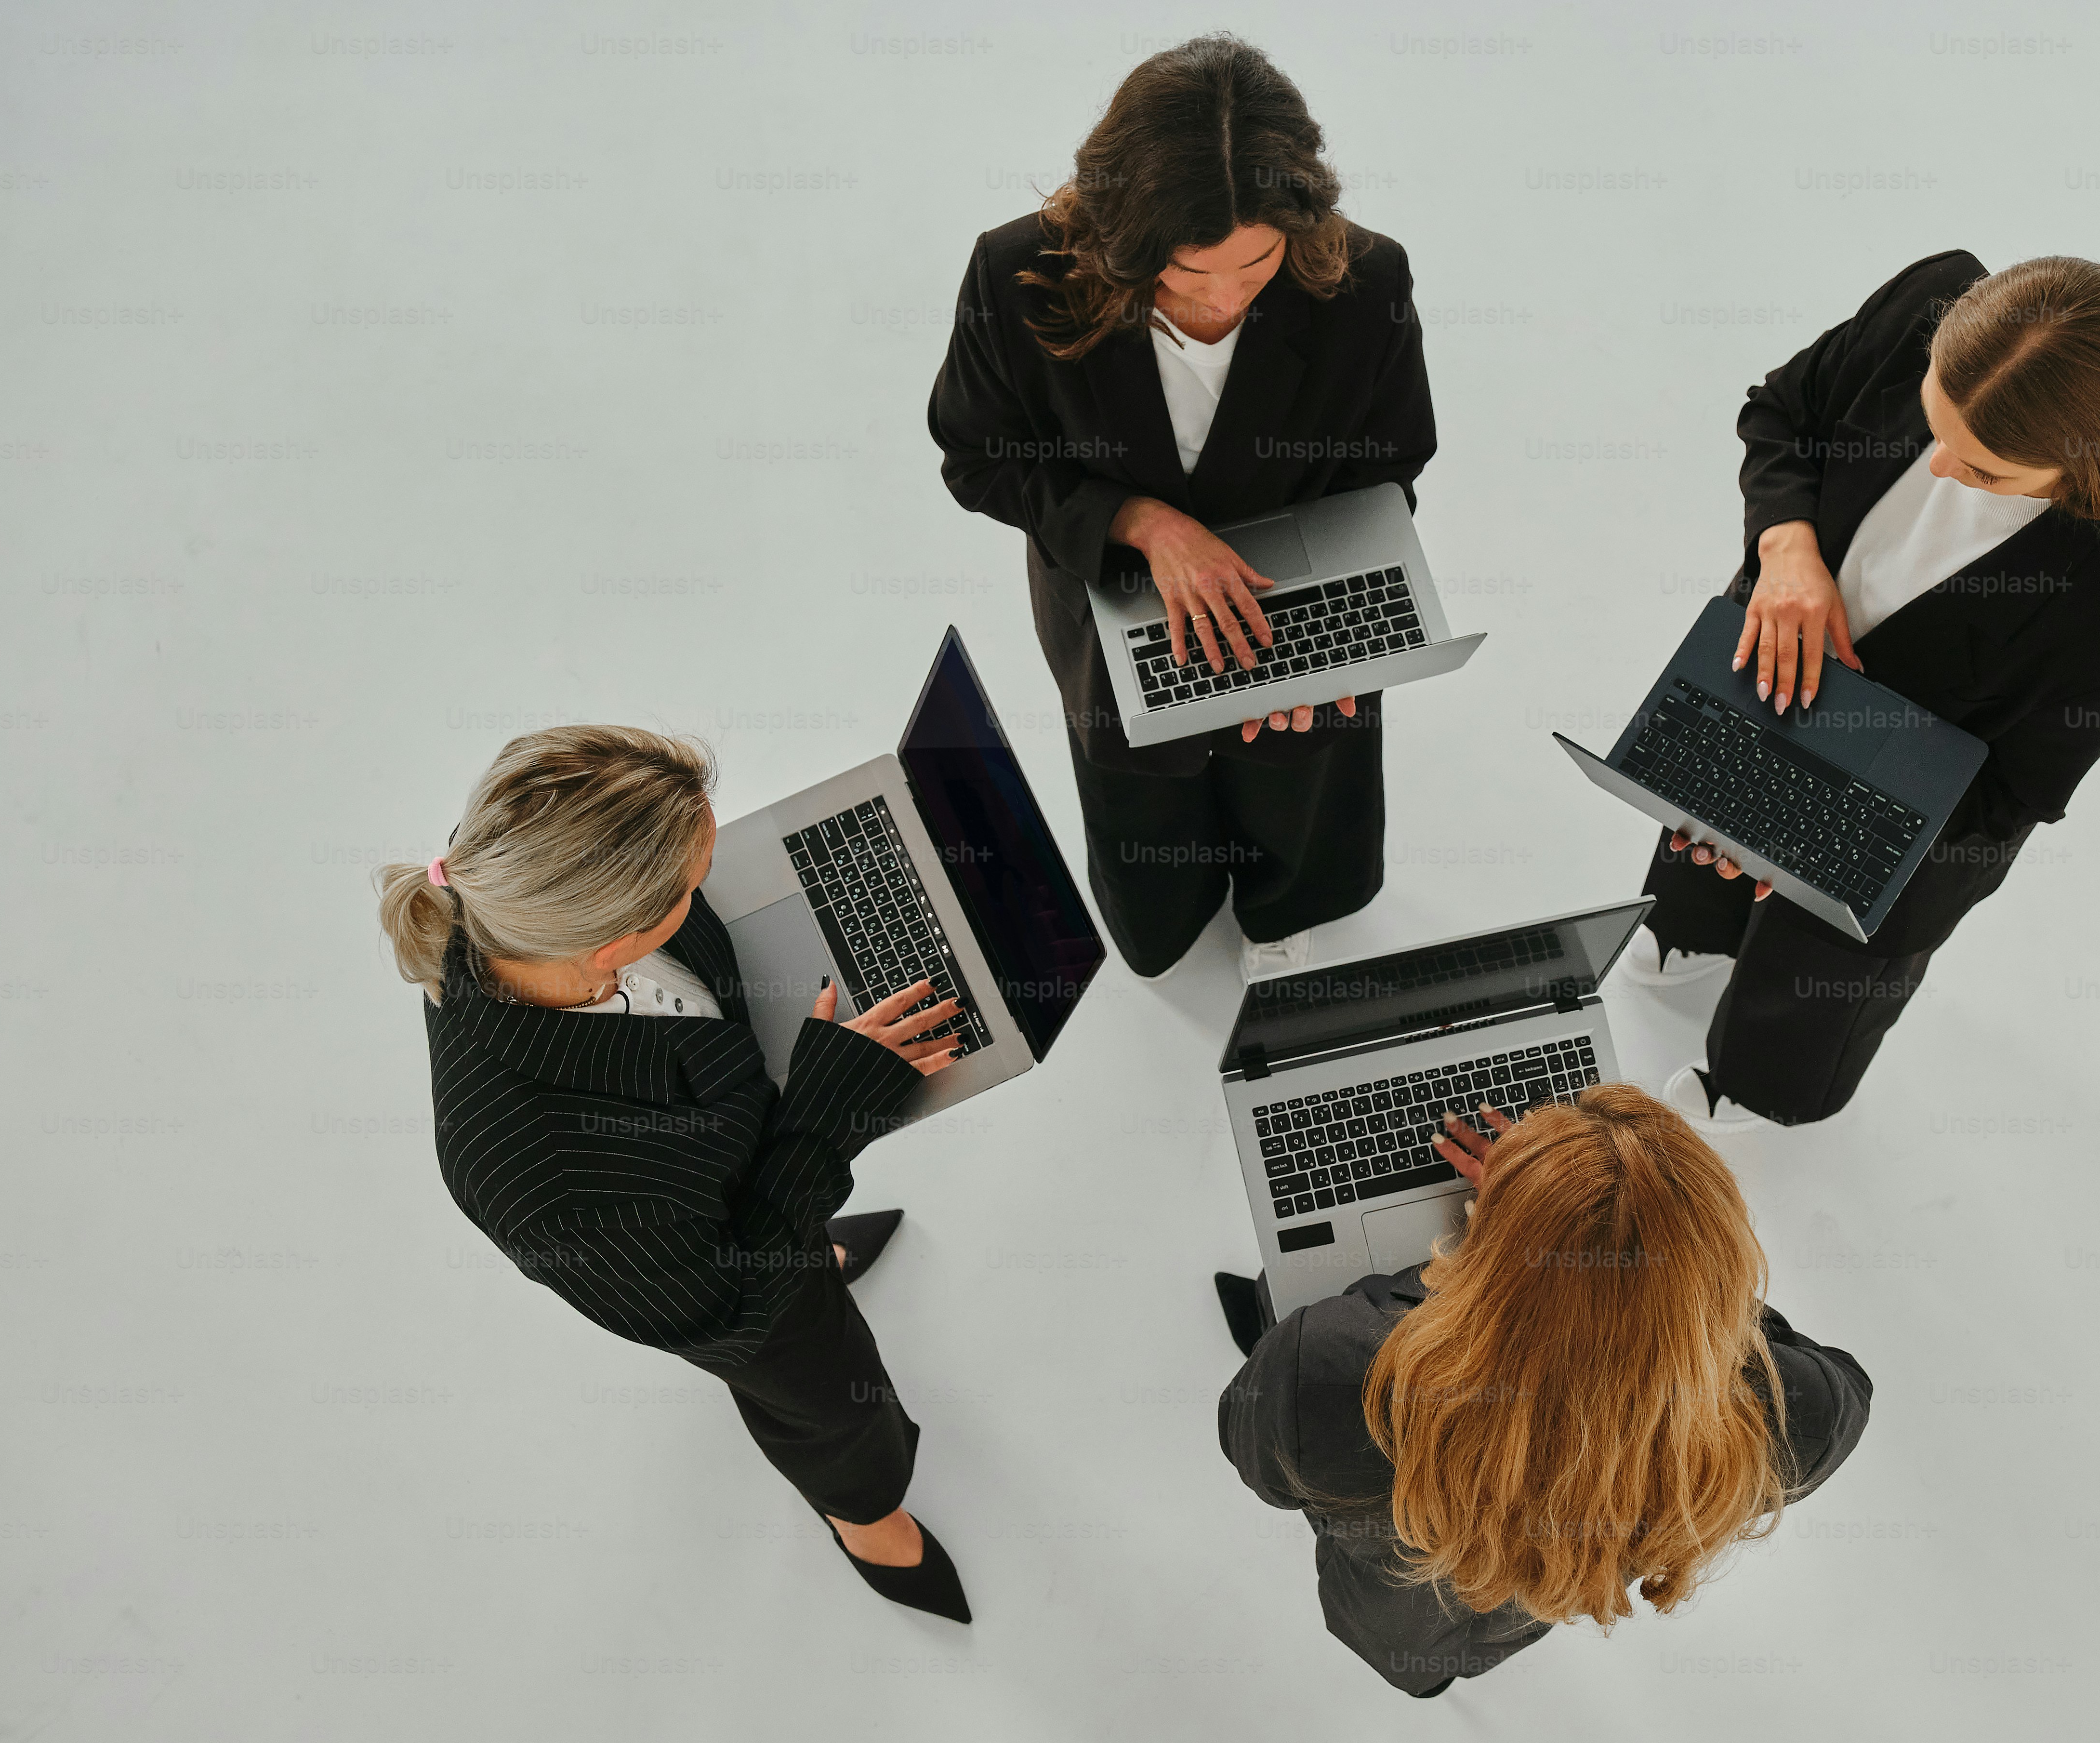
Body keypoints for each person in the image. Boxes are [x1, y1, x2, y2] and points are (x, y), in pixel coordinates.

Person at [376, 727, 974, 1621]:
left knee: (797, 1255)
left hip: (721, 1177)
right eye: (693, 879)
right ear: (612, 934)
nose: (715, 875)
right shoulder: (545, 1188)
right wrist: (826, 1112)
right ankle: (864, 1513)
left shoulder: (520, 913)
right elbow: (735, 1318)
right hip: (736, 1288)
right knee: (833, 1402)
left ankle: (811, 1245)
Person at [1633, 251, 2100, 1130]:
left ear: (2082, 463)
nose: (1938, 470)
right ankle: (1691, 931)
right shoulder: (1923, 304)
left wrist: (1808, 831)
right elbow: (1782, 411)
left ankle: (1765, 1090)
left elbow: (2004, 803)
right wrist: (1785, 550)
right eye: (1934, 426)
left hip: (1894, 827)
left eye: (1985, 473)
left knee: (1817, 980)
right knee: (1697, 844)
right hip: (1766, 669)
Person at [927, 33, 1438, 982]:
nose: (1223, 303)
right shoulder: (1014, 272)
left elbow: (1391, 460)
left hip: (1298, 585)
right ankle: (1167, 923)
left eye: (1256, 267)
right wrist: (1140, 522)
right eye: (1184, 273)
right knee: (1135, 780)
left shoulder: (1369, 280)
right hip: (1110, 594)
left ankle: (1286, 912)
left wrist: (1326, 619)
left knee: (1300, 774)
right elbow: (979, 455)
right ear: (1122, 233)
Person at [1217, 1085, 1871, 1696]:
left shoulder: (1331, 1370)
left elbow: (1248, 1451)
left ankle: (1424, 1678)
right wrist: (1669, 1280)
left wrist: (1536, 1217)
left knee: (1411, 1653)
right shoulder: (1781, 1417)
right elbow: (1849, 1386)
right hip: (1536, 1596)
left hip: (1396, 1603)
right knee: (1475, 1634)